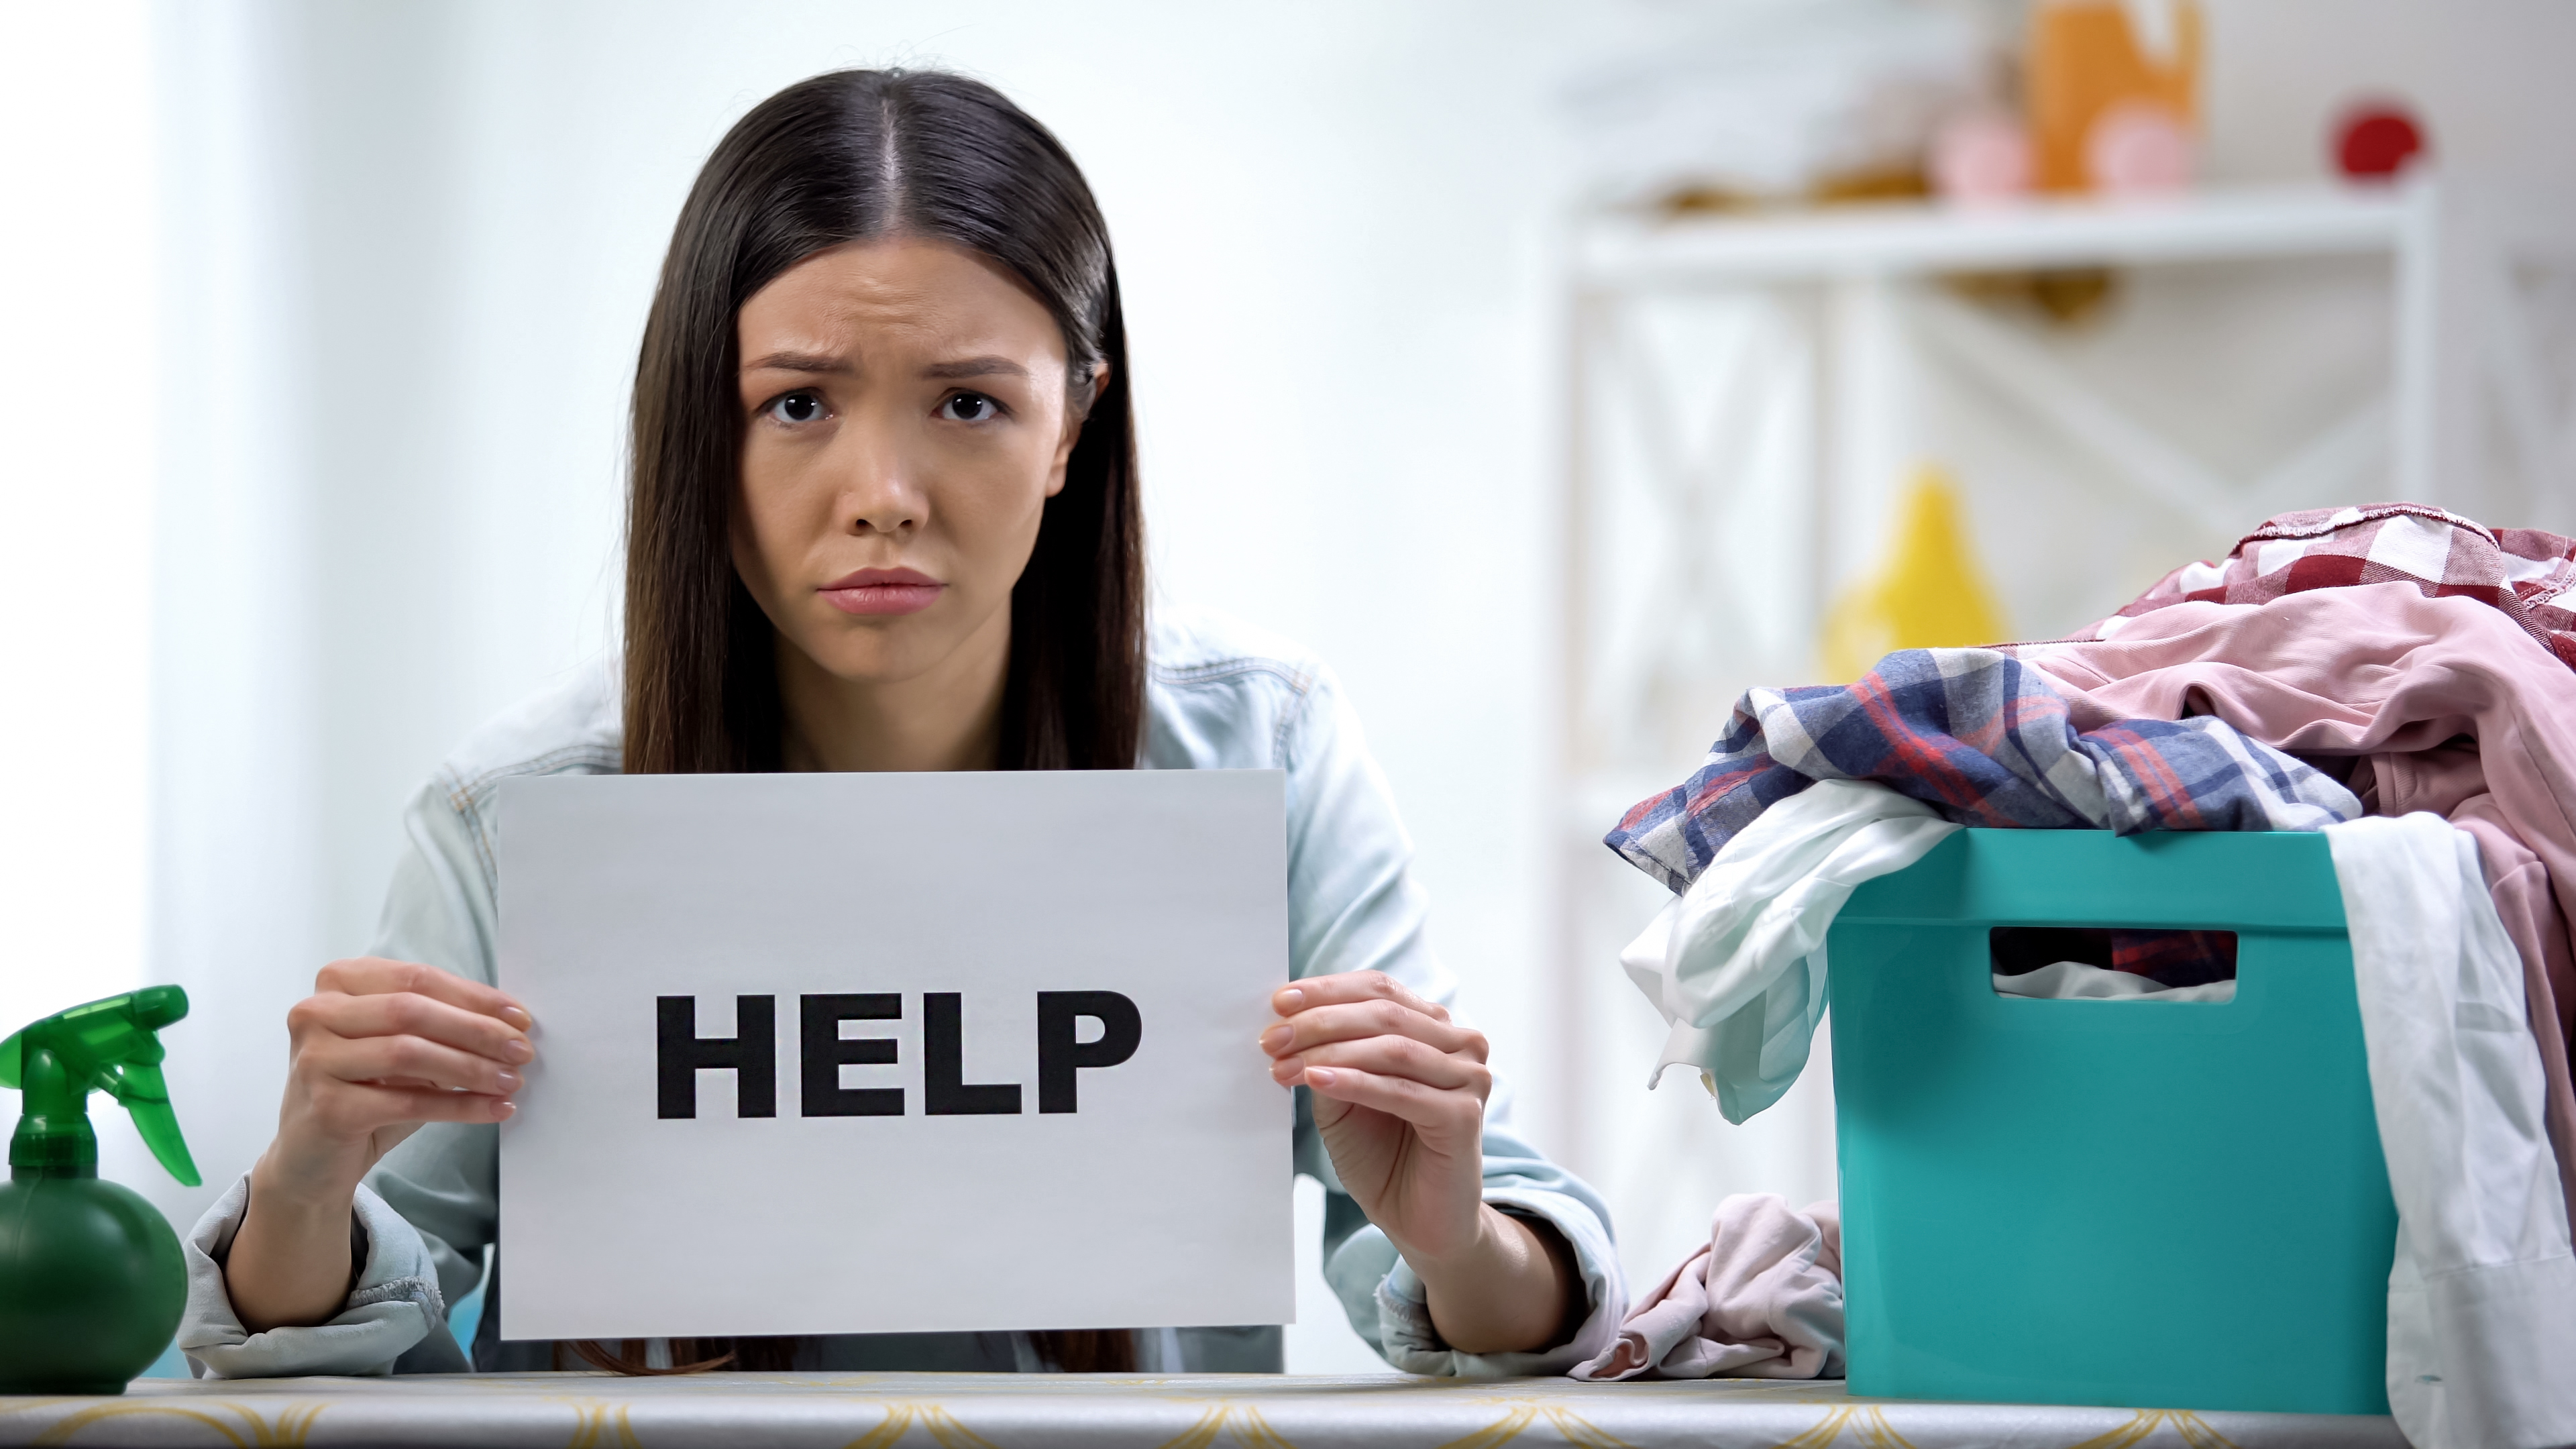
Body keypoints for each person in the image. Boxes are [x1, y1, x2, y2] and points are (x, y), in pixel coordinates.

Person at [180, 68, 1621, 1378]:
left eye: (970, 405)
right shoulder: (518, 811)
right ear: (704, 424)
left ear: (1074, 424)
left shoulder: (1266, 752)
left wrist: (1452, 1235)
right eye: (799, 403)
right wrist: (307, 1186)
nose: (884, 491)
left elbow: (1502, 1287)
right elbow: (365, 1333)